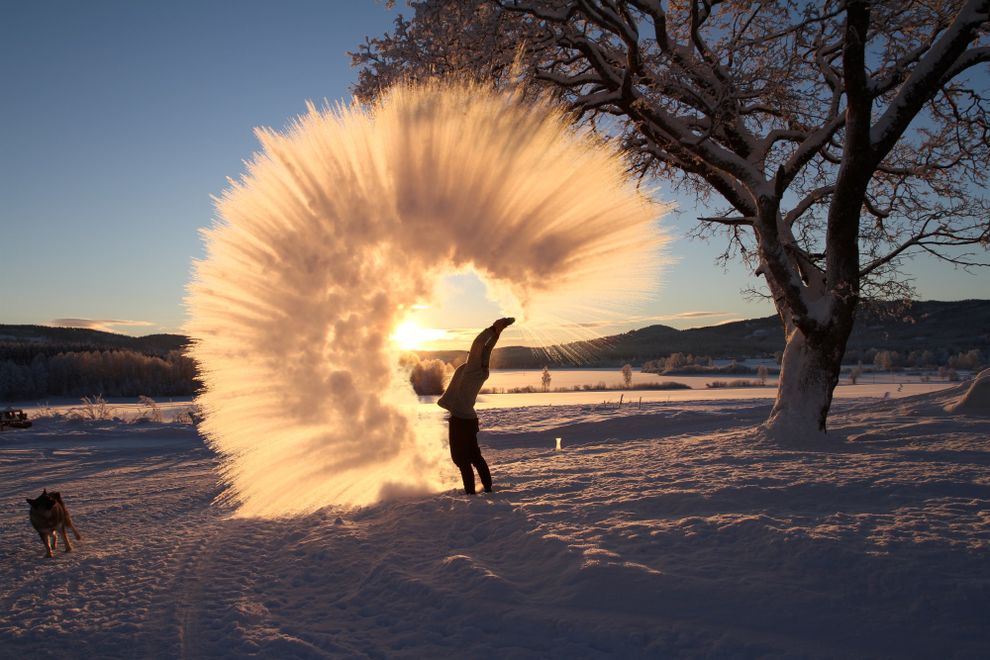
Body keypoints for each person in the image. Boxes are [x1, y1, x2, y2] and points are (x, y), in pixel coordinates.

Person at [437, 317, 514, 494]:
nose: (469, 356)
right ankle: (487, 488)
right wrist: (497, 333)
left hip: (460, 420)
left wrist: (492, 329)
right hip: (470, 420)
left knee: (460, 459)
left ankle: (471, 494)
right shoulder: (482, 370)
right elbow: (487, 348)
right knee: (474, 457)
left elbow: (479, 343)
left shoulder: (471, 368)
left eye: (471, 355)